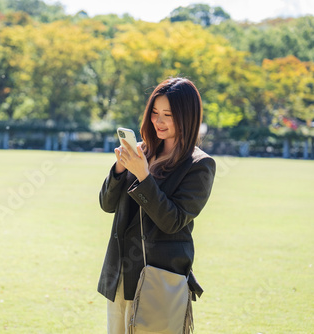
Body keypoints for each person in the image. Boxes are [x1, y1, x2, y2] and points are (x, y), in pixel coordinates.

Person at [98, 77, 216, 334]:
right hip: (119, 276)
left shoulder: (199, 166)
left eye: (168, 115)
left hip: (157, 280)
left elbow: (172, 221)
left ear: (187, 117)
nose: (158, 121)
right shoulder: (142, 152)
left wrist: (144, 176)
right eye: (154, 113)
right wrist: (119, 169)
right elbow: (107, 205)